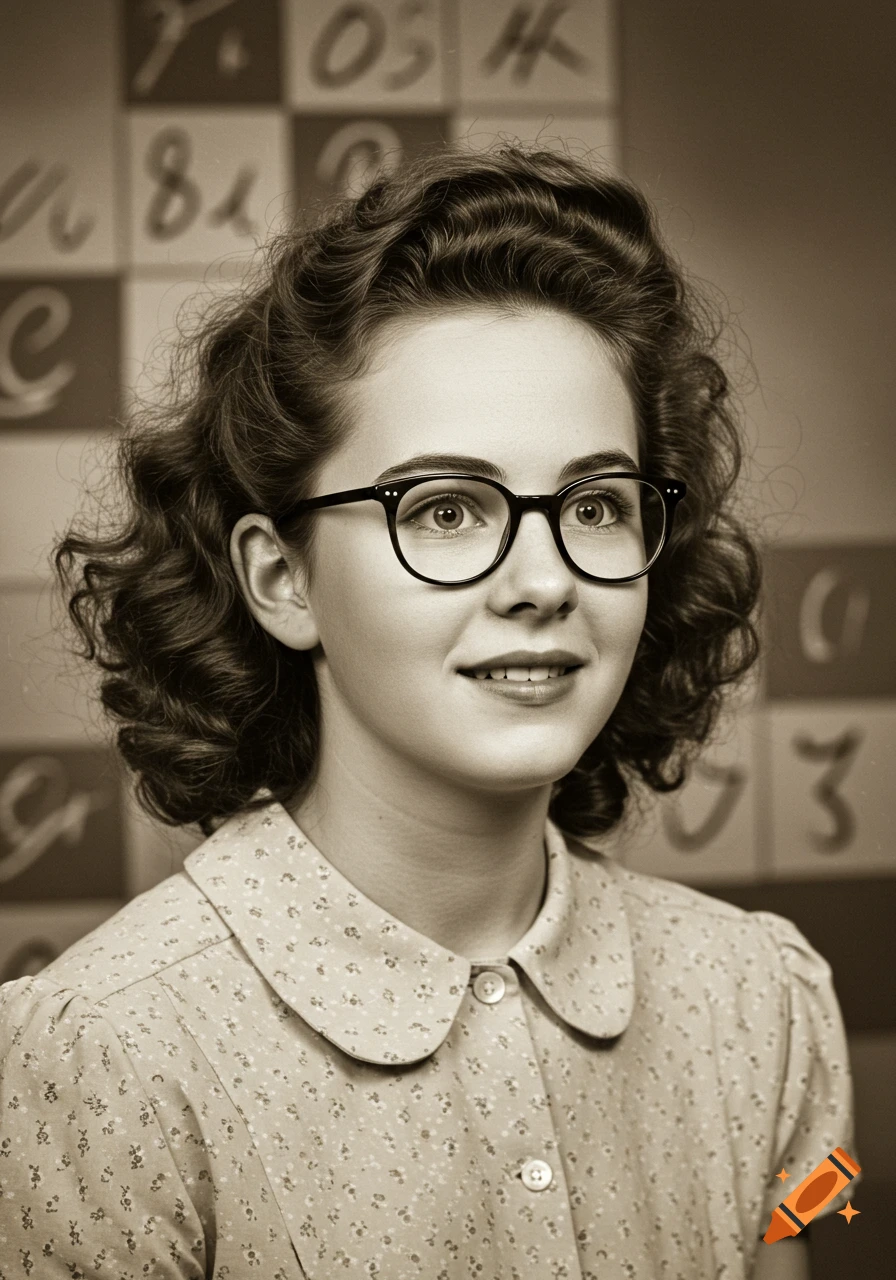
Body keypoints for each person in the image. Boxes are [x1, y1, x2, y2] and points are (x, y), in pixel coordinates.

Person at [0, 145, 855, 1280]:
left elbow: (824, 1233)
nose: (543, 578)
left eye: (595, 502)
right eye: (446, 508)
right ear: (280, 578)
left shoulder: (769, 1001)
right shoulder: (97, 1053)